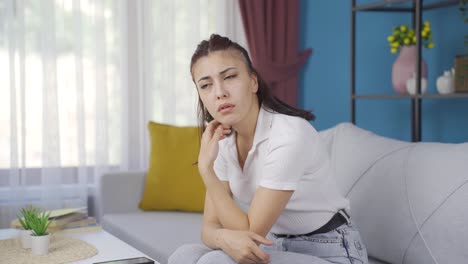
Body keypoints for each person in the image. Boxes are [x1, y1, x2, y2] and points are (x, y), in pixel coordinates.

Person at [168, 34, 368, 264]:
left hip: (333, 251)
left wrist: (206, 170)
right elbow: (209, 228)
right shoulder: (222, 141)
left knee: (215, 262)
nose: (219, 92)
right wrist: (222, 238)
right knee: (186, 255)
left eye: (230, 77)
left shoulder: (289, 134)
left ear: (253, 82)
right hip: (279, 244)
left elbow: (250, 231)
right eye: (206, 85)